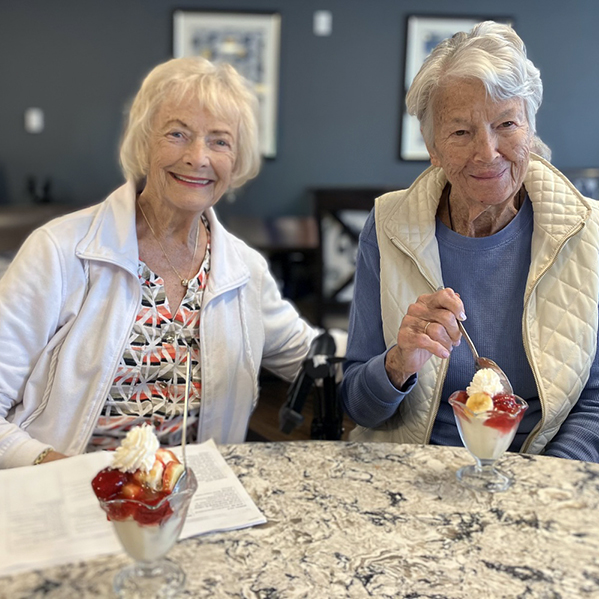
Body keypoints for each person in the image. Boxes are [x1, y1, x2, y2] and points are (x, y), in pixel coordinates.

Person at [0, 57, 317, 468]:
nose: (198, 157)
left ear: (236, 160)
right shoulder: (59, 252)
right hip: (71, 498)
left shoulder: (244, 271)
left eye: (219, 141)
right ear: (143, 141)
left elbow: (313, 356)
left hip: (191, 501)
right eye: (177, 134)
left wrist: (398, 356)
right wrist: (60, 470)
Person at [340, 21, 599, 461]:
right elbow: (358, 406)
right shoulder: (387, 223)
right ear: (433, 147)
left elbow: (594, 403)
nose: (488, 151)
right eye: (461, 132)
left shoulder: (589, 233)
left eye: (506, 124)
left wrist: (538, 484)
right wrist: (398, 362)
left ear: (530, 133)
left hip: (541, 474)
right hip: (412, 470)